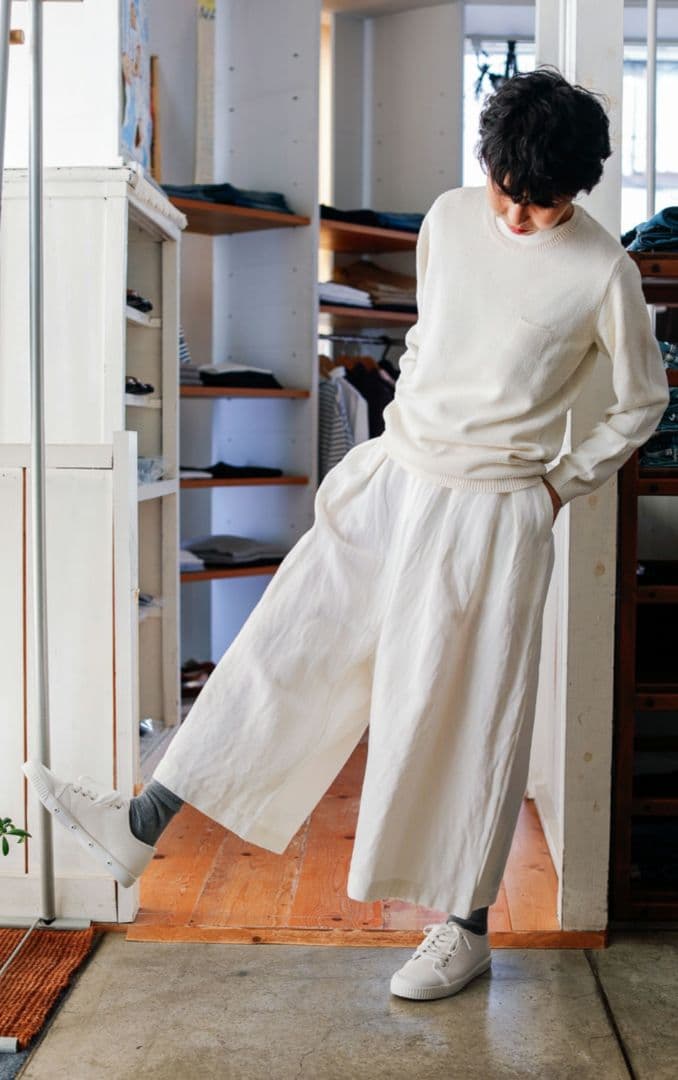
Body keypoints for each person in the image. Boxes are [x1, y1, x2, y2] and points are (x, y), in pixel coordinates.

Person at [23, 68, 670, 1002]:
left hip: (494, 511)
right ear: (487, 166)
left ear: (579, 188)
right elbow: (435, 337)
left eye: (544, 203)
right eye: (508, 192)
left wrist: (558, 485)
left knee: (463, 715)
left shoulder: (604, 271)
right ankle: (140, 823)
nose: (520, 216)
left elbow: (641, 403)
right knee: (290, 642)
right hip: (395, 475)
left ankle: (465, 929)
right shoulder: (450, 217)